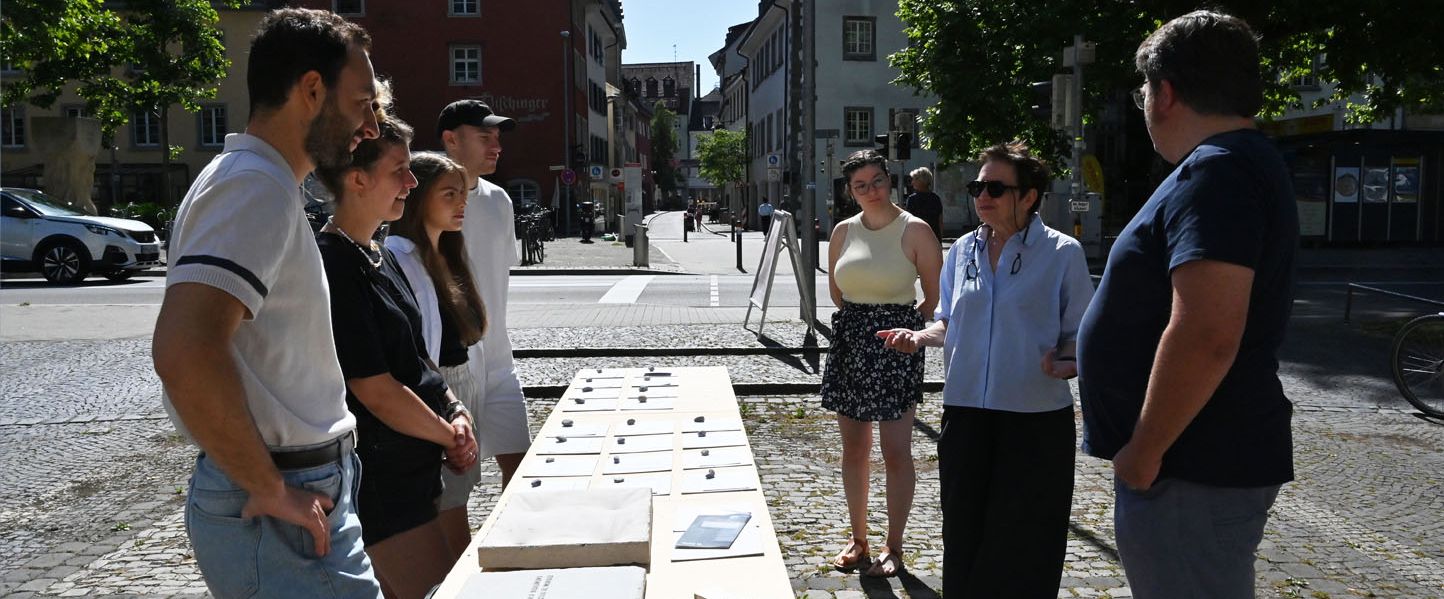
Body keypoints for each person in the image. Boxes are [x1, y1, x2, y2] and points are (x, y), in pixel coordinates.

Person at [151, 9, 384, 597]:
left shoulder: (260, 182)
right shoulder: (252, 185)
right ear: (311, 90)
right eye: (361, 102)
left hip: (298, 483)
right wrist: (269, 486)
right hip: (282, 494)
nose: (372, 127)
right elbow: (184, 350)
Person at [1077, 11, 1298, 598]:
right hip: (1193, 463)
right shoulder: (1230, 164)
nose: (1142, 103)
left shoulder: (1218, 172)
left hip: (1189, 466)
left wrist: (1144, 451)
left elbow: (1208, 332)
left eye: (1143, 90)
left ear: (1165, 92)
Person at [878, 142, 1093, 596]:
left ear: (1029, 196)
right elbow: (949, 322)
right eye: (979, 186)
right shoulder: (962, 253)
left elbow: (1081, 334)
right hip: (967, 416)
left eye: (996, 187)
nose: (983, 196)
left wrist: (1070, 361)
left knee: (1026, 540)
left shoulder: (1061, 253)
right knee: (964, 533)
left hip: (1034, 420)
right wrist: (918, 338)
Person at [315, 116, 479, 598]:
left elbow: (418, 360)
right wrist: (448, 432)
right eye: (399, 171)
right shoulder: (334, 264)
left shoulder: (377, 255)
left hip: (413, 470)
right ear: (356, 178)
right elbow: (374, 387)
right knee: (436, 588)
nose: (411, 182)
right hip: (382, 479)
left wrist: (455, 410)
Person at [821, 149, 942, 578]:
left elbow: (934, 297)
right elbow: (837, 291)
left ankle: (894, 545)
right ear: (850, 191)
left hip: (896, 345)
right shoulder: (842, 231)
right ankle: (858, 540)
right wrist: (862, 317)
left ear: (890, 181)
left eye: (877, 181)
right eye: (860, 185)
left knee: (895, 452)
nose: (870, 191)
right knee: (854, 449)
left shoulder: (916, 230)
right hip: (852, 340)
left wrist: (903, 325)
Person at [384, 151, 490, 560]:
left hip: (457, 391)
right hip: (436, 396)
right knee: (444, 524)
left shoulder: (447, 254)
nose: (461, 203)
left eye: (462, 193)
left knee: (453, 511)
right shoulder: (401, 257)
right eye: (449, 194)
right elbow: (415, 351)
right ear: (419, 197)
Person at [437, 100, 531, 492]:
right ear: (451, 141)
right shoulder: (424, 201)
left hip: (498, 360)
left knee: (523, 469)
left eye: (497, 138)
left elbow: (497, 277)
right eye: (484, 137)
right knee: (456, 489)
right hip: (451, 365)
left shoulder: (499, 201)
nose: (496, 146)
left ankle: (510, 549)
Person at [904, 167, 943, 243]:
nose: (912, 183)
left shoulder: (912, 199)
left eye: (914, 179)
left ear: (922, 181)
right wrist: (939, 241)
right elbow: (940, 222)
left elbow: (908, 222)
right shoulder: (935, 198)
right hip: (933, 238)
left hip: (918, 239)